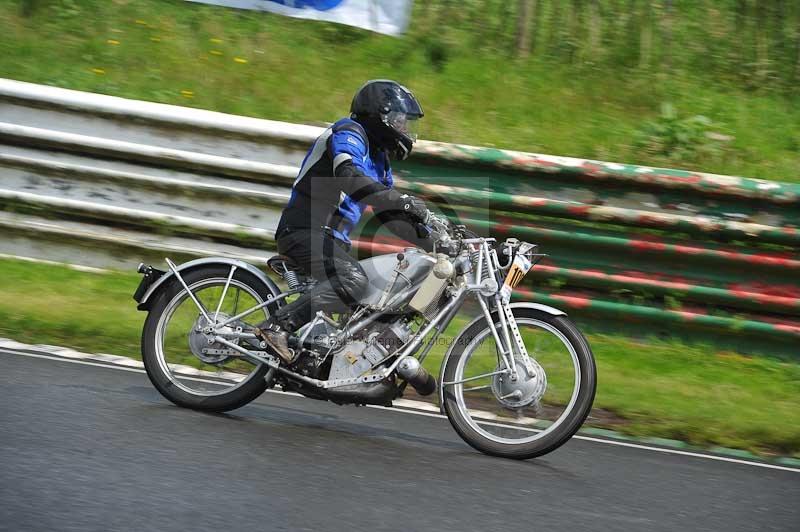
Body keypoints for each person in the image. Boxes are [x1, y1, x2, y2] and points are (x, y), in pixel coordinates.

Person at [255, 80, 433, 363]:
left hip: (333, 242)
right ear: (381, 115)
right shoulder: (349, 132)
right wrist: (403, 200)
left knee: (381, 293)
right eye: (400, 120)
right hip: (303, 231)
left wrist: (437, 240)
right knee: (352, 281)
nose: (404, 129)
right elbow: (348, 175)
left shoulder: (379, 160)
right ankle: (277, 325)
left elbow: (391, 217)